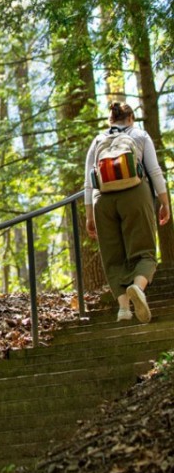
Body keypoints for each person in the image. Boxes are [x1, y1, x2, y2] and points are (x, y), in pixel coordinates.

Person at [84, 102, 170, 323]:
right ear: (131, 117)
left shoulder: (98, 141)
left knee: (113, 259)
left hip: (102, 201)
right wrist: (164, 202)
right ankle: (138, 287)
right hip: (135, 195)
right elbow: (153, 170)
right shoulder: (140, 136)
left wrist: (89, 216)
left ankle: (123, 309)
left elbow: (88, 182)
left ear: (110, 120)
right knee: (145, 251)